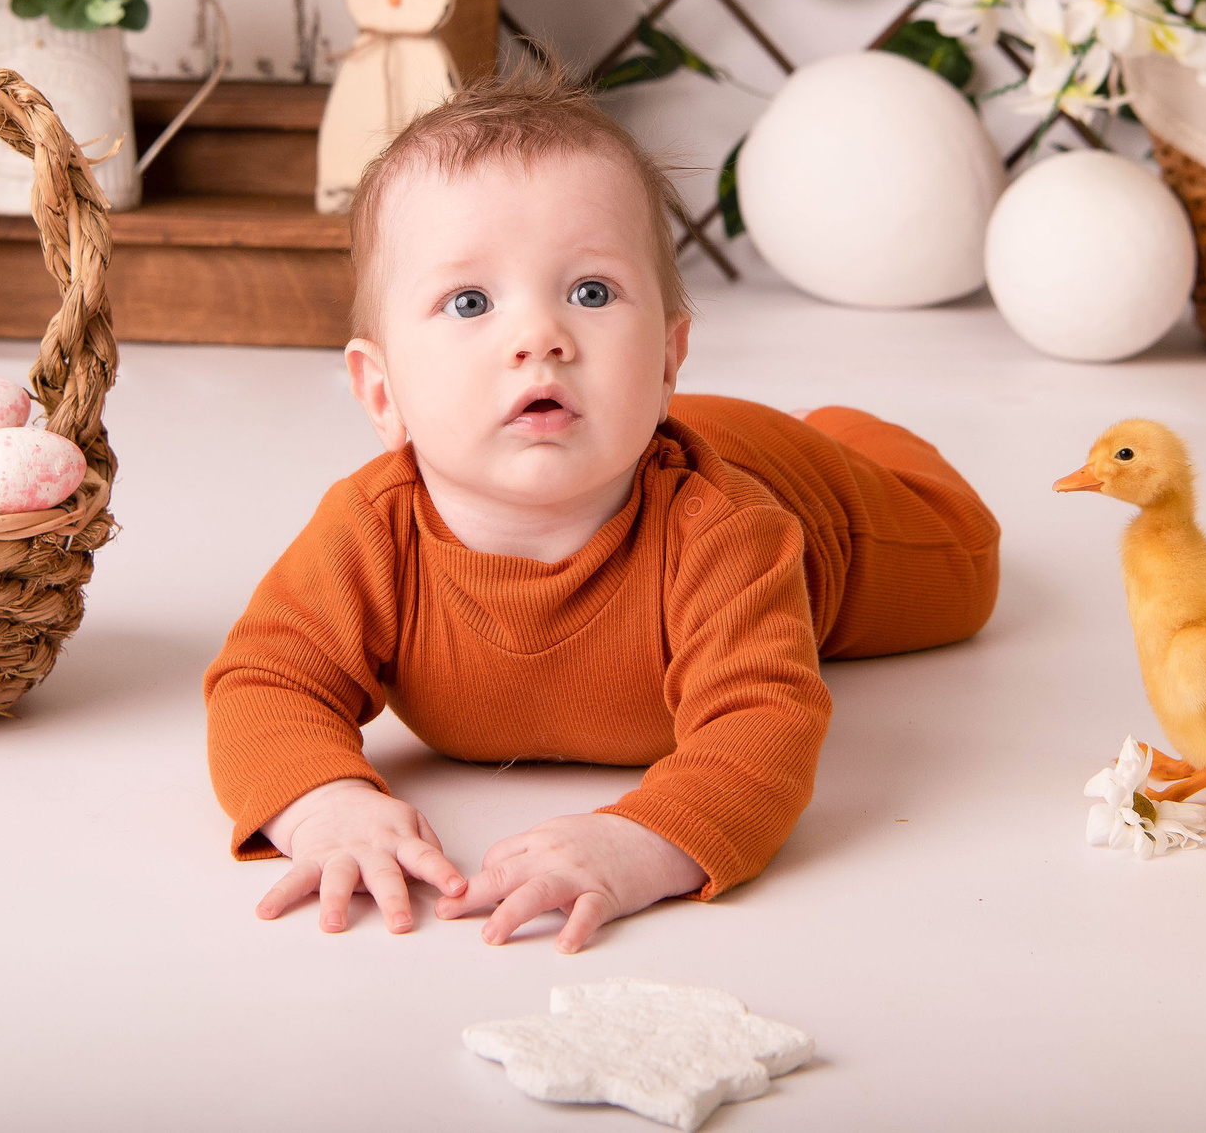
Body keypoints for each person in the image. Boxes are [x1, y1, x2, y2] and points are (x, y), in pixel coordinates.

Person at [203, 62, 999, 952]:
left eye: (590, 292)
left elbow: (764, 723)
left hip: (808, 491)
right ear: (381, 391)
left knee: (967, 564)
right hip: (668, 431)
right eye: (470, 301)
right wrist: (324, 804)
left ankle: (853, 432)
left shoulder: (726, 536)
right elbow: (265, 681)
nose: (540, 337)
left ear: (666, 359)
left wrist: (643, 840)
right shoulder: (368, 530)